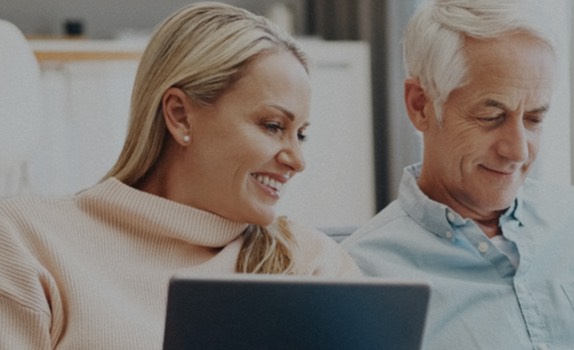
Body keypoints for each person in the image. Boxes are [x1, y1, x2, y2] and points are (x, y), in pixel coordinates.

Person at [0, 3, 360, 349]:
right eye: (272, 126)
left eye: (301, 134)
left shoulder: (312, 264)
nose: (297, 160)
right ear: (179, 116)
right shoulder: (28, 241)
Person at [340, 0, 574, 349]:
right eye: (491, 117)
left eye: (534, 119)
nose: (518, 151)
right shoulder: (362, 275)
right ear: (421, 105)